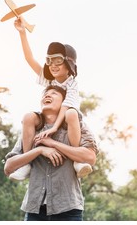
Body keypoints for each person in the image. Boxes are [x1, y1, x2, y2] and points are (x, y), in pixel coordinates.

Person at [9, 17, 92, 181]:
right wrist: (22, 33)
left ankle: (77, 161)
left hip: (67, 119)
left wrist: (53, 128)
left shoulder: (72, 84)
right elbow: (29, 59)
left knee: (71, 114)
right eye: (49, 61)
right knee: (28, 117)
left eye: (58, 61)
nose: (53, 65)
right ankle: (26, 163)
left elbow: (67, 106)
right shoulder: (49, 81)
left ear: (68, 65)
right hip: (49, 117)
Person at [4, 85, 98, 221]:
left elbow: (90, 158)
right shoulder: (31, 131)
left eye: (54, 93)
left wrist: (53, 143)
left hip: (68, 209)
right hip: (34, 210)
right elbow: (9, 167)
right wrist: (40, 150)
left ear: (64, 102)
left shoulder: (76, 125)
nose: (47, 96)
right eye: (45, 94)